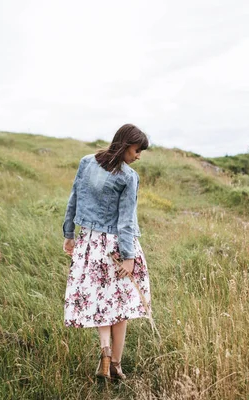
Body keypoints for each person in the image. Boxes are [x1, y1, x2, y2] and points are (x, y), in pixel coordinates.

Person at [62, 123, 151, 380]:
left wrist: (69, 234)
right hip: (115, 247)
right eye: (136, 150)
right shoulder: (127, 177)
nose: (138, 156)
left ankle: (104, 352)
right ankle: (116, 364)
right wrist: (129, 257)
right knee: (120, 305)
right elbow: (125, 221)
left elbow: (73, 199)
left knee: (101, 300)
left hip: (88, 242)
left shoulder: (87, 161)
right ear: (125, 145)